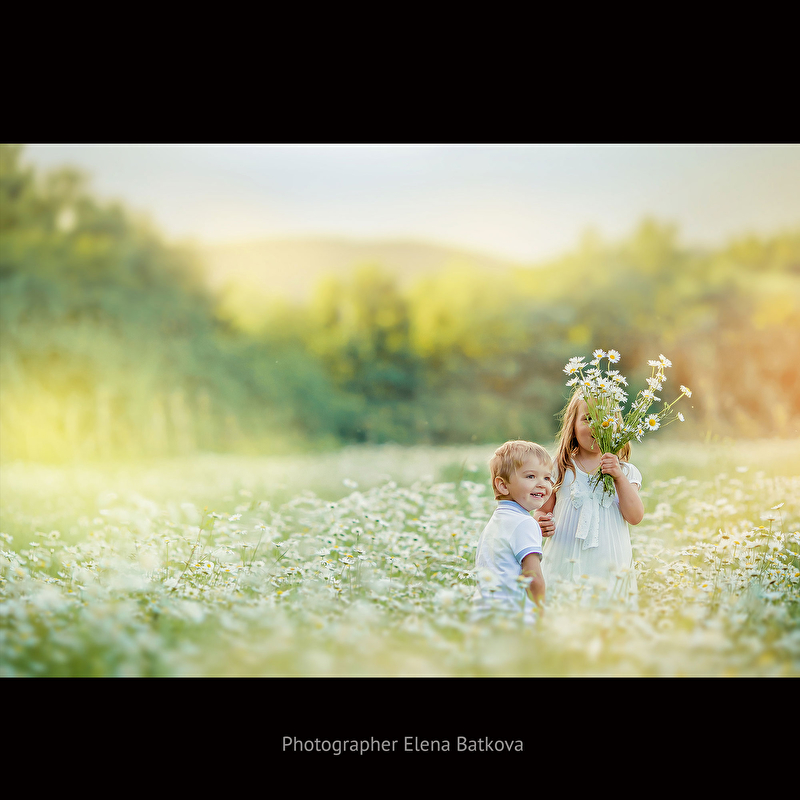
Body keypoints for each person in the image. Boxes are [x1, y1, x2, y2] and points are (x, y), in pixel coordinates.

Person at [535, 391, 644, 606]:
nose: (599, 425)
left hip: (610, 565)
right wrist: (540, 522)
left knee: (608, 615)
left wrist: (618, 476)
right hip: (565, 561)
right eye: (588, 418)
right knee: (563, 610)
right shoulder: (560, 467)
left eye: (606, 418)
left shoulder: (625, 472)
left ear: (618, 426)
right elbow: (543, 510)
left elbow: (635, 516)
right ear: (573, 426)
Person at [474, 440, 554, 618]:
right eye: (531, 476)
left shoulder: (495, 522)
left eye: (547, 478)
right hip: (512, 613)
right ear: (503, 486)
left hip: (484, 611)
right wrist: (540, 614)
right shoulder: (525, 523)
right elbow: (533, 577)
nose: (542, 484)